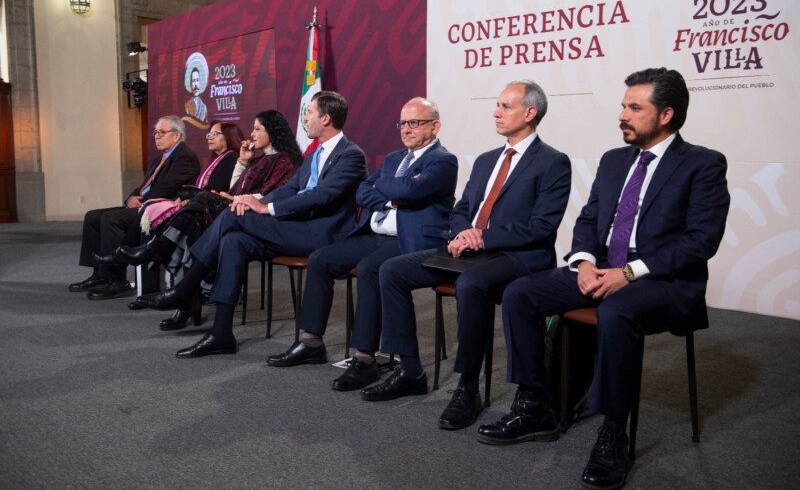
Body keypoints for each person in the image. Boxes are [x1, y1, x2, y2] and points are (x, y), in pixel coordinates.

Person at [481, 68, 730, 490]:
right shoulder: (615, 160)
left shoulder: (703, 164)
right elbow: (590, 219)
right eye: (623, 105)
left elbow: (700, 241)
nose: (622, 114)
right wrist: (581, 263)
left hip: (664, 279)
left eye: (635, 107)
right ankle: (535, 404)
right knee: (521, 293)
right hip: (600, 267)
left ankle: (614, 432)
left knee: (616, 312)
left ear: (666, 114)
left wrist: (629, 272)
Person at [361, 81, 572, 431]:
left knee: (471, 284)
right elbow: (461, 210)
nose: (496, 112)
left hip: (517, 256)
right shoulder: (488, 160)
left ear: (530, 113)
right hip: (468, 249)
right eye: (497, 105)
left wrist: (482, 238)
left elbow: (541, 228)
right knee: (393, 270)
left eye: (505, 106)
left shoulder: (552, 162)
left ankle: (467, 388)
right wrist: (463, 232)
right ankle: (410, 370)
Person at [141, 91, 368, 358]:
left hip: (320, 235)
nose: (305, 118)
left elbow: (323, 195)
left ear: (326, 118)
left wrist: (266, 207)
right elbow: (291, 188)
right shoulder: (315, 154)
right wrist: (251, 201)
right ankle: (221, 333)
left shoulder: (351, 155)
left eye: (309, 113)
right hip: (295, 229)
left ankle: (186, 287)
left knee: (231, 215)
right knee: (233, 241)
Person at [266, 97, 458, 392]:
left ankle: (365, 359)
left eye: (414, 123)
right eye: (403, 123)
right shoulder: (395, 158)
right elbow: (362, 191)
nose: (406, 129)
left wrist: (391, 190)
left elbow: (412, 188)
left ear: (435, 126)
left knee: (370, 269)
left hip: (413, 241)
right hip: (375, 234)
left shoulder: (443, 160)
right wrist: (395, 197)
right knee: (321, 258)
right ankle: (311, 341)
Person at [118, 111, 302, 330]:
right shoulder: (260, 158)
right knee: (195, 224)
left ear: (272, 131)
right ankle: (185, 296)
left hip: (255, 217)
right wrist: (242, 163)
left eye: (257, 129)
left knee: (202, 200)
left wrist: (235, 197)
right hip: (237, 209)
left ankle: (164, 258)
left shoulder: (285, 161)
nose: (252, 133)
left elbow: (275, 196)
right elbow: (236, 188)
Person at [68, 115, 200, 300]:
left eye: (162, 132)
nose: (156, 136)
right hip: (145, 204)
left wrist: (140, 199)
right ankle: (99, 274)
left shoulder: (185, 157)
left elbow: (167, 188)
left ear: (177, 136)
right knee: (93, 216)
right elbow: (145, 186)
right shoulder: (159, 159)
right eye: (155, 132)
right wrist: (131, 197)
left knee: (111, 219)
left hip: (160, 210)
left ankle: (117, 280)